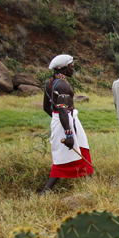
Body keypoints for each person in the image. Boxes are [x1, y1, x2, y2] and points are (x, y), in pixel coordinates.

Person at [41, 54, 93, 194]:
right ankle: (45, 191)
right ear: (65, 68)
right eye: (72, 67)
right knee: (64, 155)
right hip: (65, 121)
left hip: (61, 121)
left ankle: (90, 182)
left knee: (81, 148)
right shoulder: (62, 84)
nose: (73, 70)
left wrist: (57, 120)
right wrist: (68, 132)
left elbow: (47, 107)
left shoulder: (49, 83)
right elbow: (63, 109)